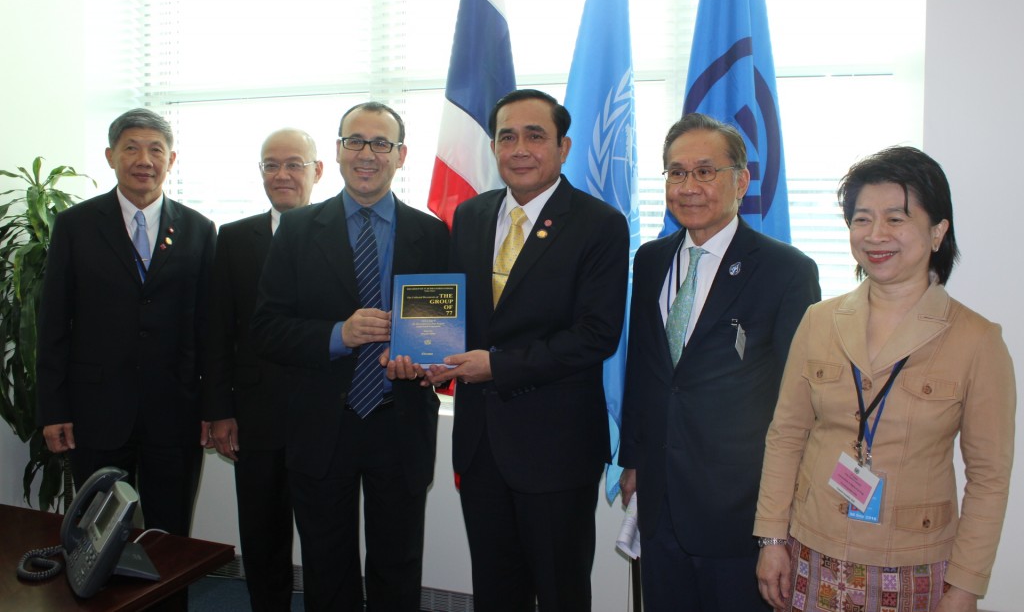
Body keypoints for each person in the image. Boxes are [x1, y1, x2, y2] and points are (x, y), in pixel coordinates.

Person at [754, 146, 1015, 612]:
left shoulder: (977, 340)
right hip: (812, 550)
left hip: (914, 566)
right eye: (861, 219)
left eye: (896, 219)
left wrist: (966, 587)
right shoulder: (820, 320)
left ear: (938, 232)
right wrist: (772, 536)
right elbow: (786, 435)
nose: (876, 235)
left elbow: (989, 477)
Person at [424, 89, 629, 611]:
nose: (519, 148)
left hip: (555, 449)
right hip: (480, 443)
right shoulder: (470, 215)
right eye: (507, 136)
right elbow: (459, 314)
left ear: (563, 147)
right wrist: (426, 351)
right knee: (495, 589)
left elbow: (596, 334)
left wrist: (496, 366)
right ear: (493, 146)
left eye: (535, 136)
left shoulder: (599, 224)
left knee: (560, 592)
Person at [250, 102, 449, 612]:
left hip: (399, 420)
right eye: (355, 141)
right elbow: (267, 331)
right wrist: (339, 333)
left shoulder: (431, 234)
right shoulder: (296, 231)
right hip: (322, 424)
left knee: (398, 563)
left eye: (381, 143)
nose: (367, 154)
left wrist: (426, 366)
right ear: (337, 152)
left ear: (400, 156)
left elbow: (440, 333)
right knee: (326, 564)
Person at [619, 113, 820, 611]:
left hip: (739, 504)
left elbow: (797, 397)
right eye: (676, 172)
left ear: (742, 180)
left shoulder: (786, 270)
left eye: (705, 172)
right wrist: (633, 458)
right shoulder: (649, 259)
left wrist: (782, 506)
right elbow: (646, 368)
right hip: (660, 495)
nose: (688, 186)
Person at [36, 107, 217, 536]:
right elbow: (54, 323)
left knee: (169, 535)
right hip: (95, 412)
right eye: (131, 148)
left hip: (174, 413)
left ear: (171, 160)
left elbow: (208, 327)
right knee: (97, 535)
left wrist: (213, 407)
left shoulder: (198, 229)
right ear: (110, 156)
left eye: (156, 150)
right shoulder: (75, 225)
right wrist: (53, 408)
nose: (144, 160)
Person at [202, 128, 323, 611]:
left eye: (294, 164)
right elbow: (216, 330)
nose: (282, 174)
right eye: (271, 165)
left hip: (321, 414)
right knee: (260, 532)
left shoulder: (338, 232)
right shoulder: (232, 238)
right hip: (254, 416)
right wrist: (219, 410)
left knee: (323, 535)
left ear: (317, 171)